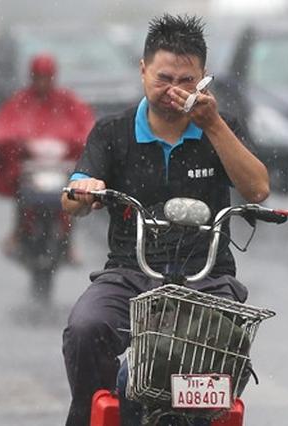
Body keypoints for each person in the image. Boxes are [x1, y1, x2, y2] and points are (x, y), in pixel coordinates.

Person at [60, 14, 269, 426]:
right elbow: (73, 195)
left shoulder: (220, 129)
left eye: (187, 80)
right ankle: (92, 414)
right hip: (129, 274)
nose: (174, 89)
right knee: (85, 329)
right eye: (163, 77)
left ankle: (205, 416)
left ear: (204, 80)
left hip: (206, 278)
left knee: (228, 346)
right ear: (142, 70)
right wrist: (83, 192)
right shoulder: (113, 132)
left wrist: (212, 124)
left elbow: (258, 189)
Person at [0, 53, 94, 258]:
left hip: (61, 166)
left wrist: (69, 144)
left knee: (71, 199)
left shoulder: (67, 101)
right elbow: (1, 127)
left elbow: (86, 125)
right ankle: (18, 232)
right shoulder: (20, 101)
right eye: (38, 77)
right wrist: (22, 143)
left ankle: (68, 242)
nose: (42, 82)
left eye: (46, 77)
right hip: (30, 167)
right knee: (22, 194)